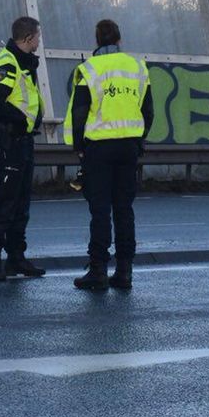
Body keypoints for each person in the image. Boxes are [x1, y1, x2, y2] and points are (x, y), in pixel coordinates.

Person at [64, 20, 153, 291]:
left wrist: (79, 146)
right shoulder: (137, 67)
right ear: (119, 39)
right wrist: (138, 140)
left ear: (97, 39)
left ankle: (98, 271)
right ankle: (124, 271)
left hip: (99, 148)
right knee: (124, 209)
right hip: (128, 147)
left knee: (100, 210)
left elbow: (79, 113)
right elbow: (147, 111)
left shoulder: (89, 69)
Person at [0, 16, 48, 281]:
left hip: (23, 141)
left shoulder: (23, 64)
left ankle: (16, 257)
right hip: (9, 142)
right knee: (4, 201)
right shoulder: (7, 64)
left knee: (21, 202)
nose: (39, 41)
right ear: (28, 38)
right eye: (38, 37)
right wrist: (20, 119)